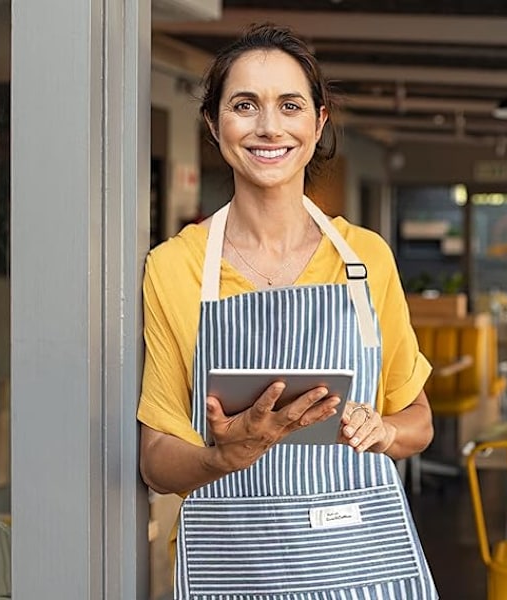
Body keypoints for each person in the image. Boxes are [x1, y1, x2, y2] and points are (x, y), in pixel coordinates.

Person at [138, 23, 437, 599]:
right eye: (244, 105)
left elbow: (417, 421)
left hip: (357, 560)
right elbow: (156, 461)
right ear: (213, 123)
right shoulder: (175, 267)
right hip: (236, 565)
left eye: (290, 105)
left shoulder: (365, 258)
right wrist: (226, 454)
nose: (268, 127)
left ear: (318, 122)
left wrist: (383, 430)